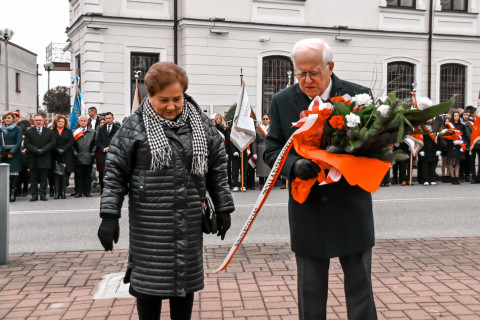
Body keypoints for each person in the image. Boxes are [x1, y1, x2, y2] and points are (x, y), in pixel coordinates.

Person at [97, 62, 234, 320]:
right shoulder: (134, 126)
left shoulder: (200, 124)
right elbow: (115, 173)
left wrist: (224, 207)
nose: (171, 106)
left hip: (189, 220)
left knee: (184, 286)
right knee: (148, 288)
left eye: (177, 98)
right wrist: (109, 215)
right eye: (163, 100)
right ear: (149, 96)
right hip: (150, 225)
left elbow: (217, 166)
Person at [264, 38, 377, 320]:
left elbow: (376, 146)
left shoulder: (358, 96)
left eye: (313, 72)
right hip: (308, 208)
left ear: (330, 67)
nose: (306, 79)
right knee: (310, 288)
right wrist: (293, 165)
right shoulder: (282, 101)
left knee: (360, 285)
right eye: (300, 73)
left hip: (351, 203)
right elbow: (271, 150)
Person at [24, 114, 56, 201]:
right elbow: (26, 144)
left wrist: (43, 150)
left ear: (43, 121)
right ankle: (34, 195)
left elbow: (52, 142)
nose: (38, 122)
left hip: (44, 157)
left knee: (43, 178)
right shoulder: (29, 131)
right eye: (36, 120)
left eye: (40, 120)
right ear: (34, 122)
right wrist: (36, 150)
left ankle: (43, 195)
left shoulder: (49, 131)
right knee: (33, 178)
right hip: (33, 158)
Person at [0, 111, 23, 202]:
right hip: (3, 153)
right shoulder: (1, 129)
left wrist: (12, 152)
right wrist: (0, 151)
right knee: (4, 175)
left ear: (13, 119)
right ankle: (6, 193)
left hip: (14, 154)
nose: (7, 120)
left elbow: (18, 142)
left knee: (14, 174)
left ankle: (13, 194)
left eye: (9, 118)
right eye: (5, 118)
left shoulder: (17, 128)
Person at [73, 115, 97, 197]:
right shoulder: (75, 132)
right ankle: (78, 192)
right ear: (79, 122)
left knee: (88, 175)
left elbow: (95, 144)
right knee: (78, 175)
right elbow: (72, 145)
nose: (83, 122)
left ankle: (87, 191)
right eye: (81, 120)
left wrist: (92, 154)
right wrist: (75, 153)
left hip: (88, 156)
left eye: (84, 120)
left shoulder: (93, 132)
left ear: (87, 122)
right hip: (78, 157)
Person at [51, 115, 74, 199]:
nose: (61, 123)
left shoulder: (68, 131)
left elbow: (71, 141)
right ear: (56, 122)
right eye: (59, 121)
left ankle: (63, 191)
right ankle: (56, 192)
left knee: (65, 174)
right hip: (55, 154)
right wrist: (57, 149)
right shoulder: (52, 131)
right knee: (56, 173)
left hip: (66, 155)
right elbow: (51, 142)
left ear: (65, 123)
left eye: (62, 121)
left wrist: (63, 149)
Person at [96, 112, 119, 194]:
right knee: (104, 174)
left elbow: (119, 141)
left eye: (109, 118)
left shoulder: (117, 129)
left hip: (114, 155)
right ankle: (104, 190)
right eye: (106, 118)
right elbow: (98, 142)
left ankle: (113, 190)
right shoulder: (101, 129)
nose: (108, 120)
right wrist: (103, 148)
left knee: (114, 174)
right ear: (104, 119)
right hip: (104, 154)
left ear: (113, 118)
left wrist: (112, 148)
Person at [445, 111, 466, 184]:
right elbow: (446, 136)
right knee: (450, 161)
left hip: (459, 145)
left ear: (459, 116)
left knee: (457, 162)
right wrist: (452, 141)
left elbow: (464, 136)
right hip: (451, 145)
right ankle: (452, 178)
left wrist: (461, 142)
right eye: (455, 116)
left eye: (457, 115)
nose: (456, 117)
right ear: (453, 117)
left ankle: (457, 177)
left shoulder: (462, 125)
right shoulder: (449, 125)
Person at [418, 119, 440, 186]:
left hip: (434, 149)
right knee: (425, 165)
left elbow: (439, 138)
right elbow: (420, 139)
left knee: (433, 165)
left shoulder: (436, 127)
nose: (429, 120)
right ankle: (426, 179)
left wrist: (439, 149)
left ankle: (432, 179)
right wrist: (421, 150)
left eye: (430, 119)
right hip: (425, 148)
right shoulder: (422, 127)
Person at [256, 114, 271, 189]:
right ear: (262, 120)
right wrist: (254, 152)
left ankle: (268, 184)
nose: (265, 120)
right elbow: (255, 142)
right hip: (260, 149)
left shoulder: (272, 128)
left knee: (269, 167)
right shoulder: (258, 129)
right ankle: (261, 184)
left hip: (269, 149)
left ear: (269, 120)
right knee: (261, 168)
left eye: (266, 119)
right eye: (264, 119)